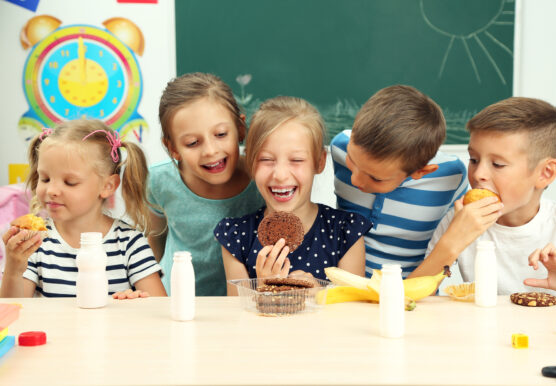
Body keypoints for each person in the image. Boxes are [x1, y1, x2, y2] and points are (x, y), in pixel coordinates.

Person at [411, 97, 556, 295]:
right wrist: (452, 242)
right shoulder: (458, 221)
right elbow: (412, 299)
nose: (478, 174)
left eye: (498, 165)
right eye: (474, 160)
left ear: (546, 173)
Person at [214, 96, 372, 295]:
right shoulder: (236, 238)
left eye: (296, 160)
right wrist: (263, 287)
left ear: (319, 162)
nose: (280, 175)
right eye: (266, 159)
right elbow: (239, 318)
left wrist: (320, 293)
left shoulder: (345, 233)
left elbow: (352, 310)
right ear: (250, 163)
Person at [0, 119, 166, 298]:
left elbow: (158, 309)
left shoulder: (129, 243)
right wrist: (13, 270)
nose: (52, 190)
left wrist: (136, 302)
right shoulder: (36, 243)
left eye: (70, 182)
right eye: (45, 179)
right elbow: (15, 311)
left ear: (108, 186)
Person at [331, 85, 468, 278]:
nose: (355, 179)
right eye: (352, 161)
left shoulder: (451, 177)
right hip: (346, 292)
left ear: (420, 172)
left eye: (376, 178)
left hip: (413, 296)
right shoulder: (340, 147)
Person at [148, 73, 263, 296]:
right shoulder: (159, 181)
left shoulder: (262, 180)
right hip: (179, 303)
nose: (210, 150)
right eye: (193, 142)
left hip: (242, 308)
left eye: (220, 134)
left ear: (240, 128)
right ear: (172, 148)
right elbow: (153, 243)